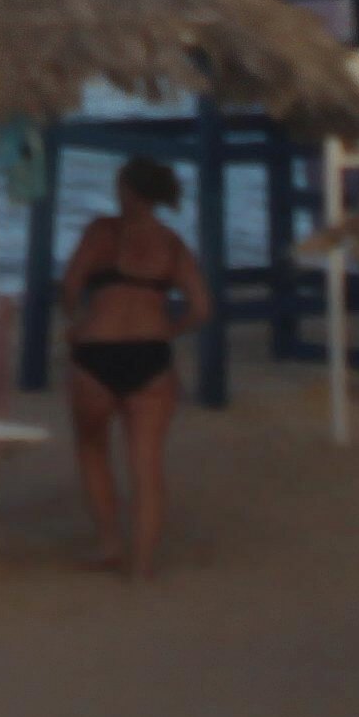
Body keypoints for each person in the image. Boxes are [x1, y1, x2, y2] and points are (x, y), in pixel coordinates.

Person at [61, 159, 208, 579]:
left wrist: (76, 321)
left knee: (92, 448)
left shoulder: (101, 231)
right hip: (151, 355)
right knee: (146, 465)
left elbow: (70, 286)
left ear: (127, 190)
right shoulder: (173, 245)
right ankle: (142, 565)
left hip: (97, 352)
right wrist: (169, 330)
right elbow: (201, 308)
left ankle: (110, 543)